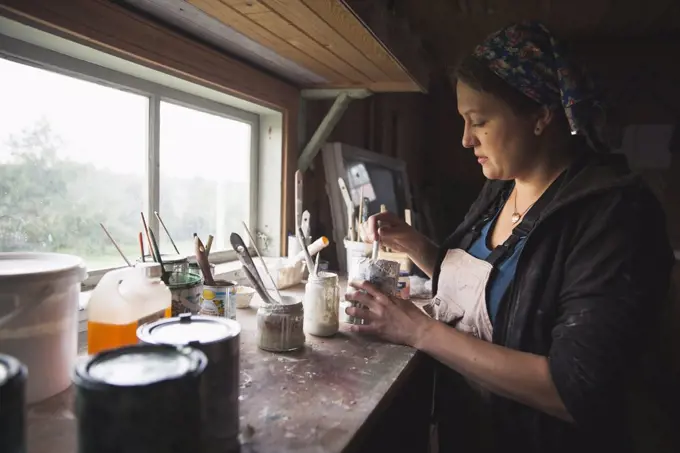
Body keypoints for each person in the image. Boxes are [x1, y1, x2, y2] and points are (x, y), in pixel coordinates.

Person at [346, 21, 675, 453]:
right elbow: (499, 286)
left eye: (478, 121)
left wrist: (420, 332)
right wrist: (417, 246)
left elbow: (576, 389)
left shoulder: (613, 215)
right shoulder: (502, 188)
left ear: (540, 116)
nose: (466, 140)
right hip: (473, 429)